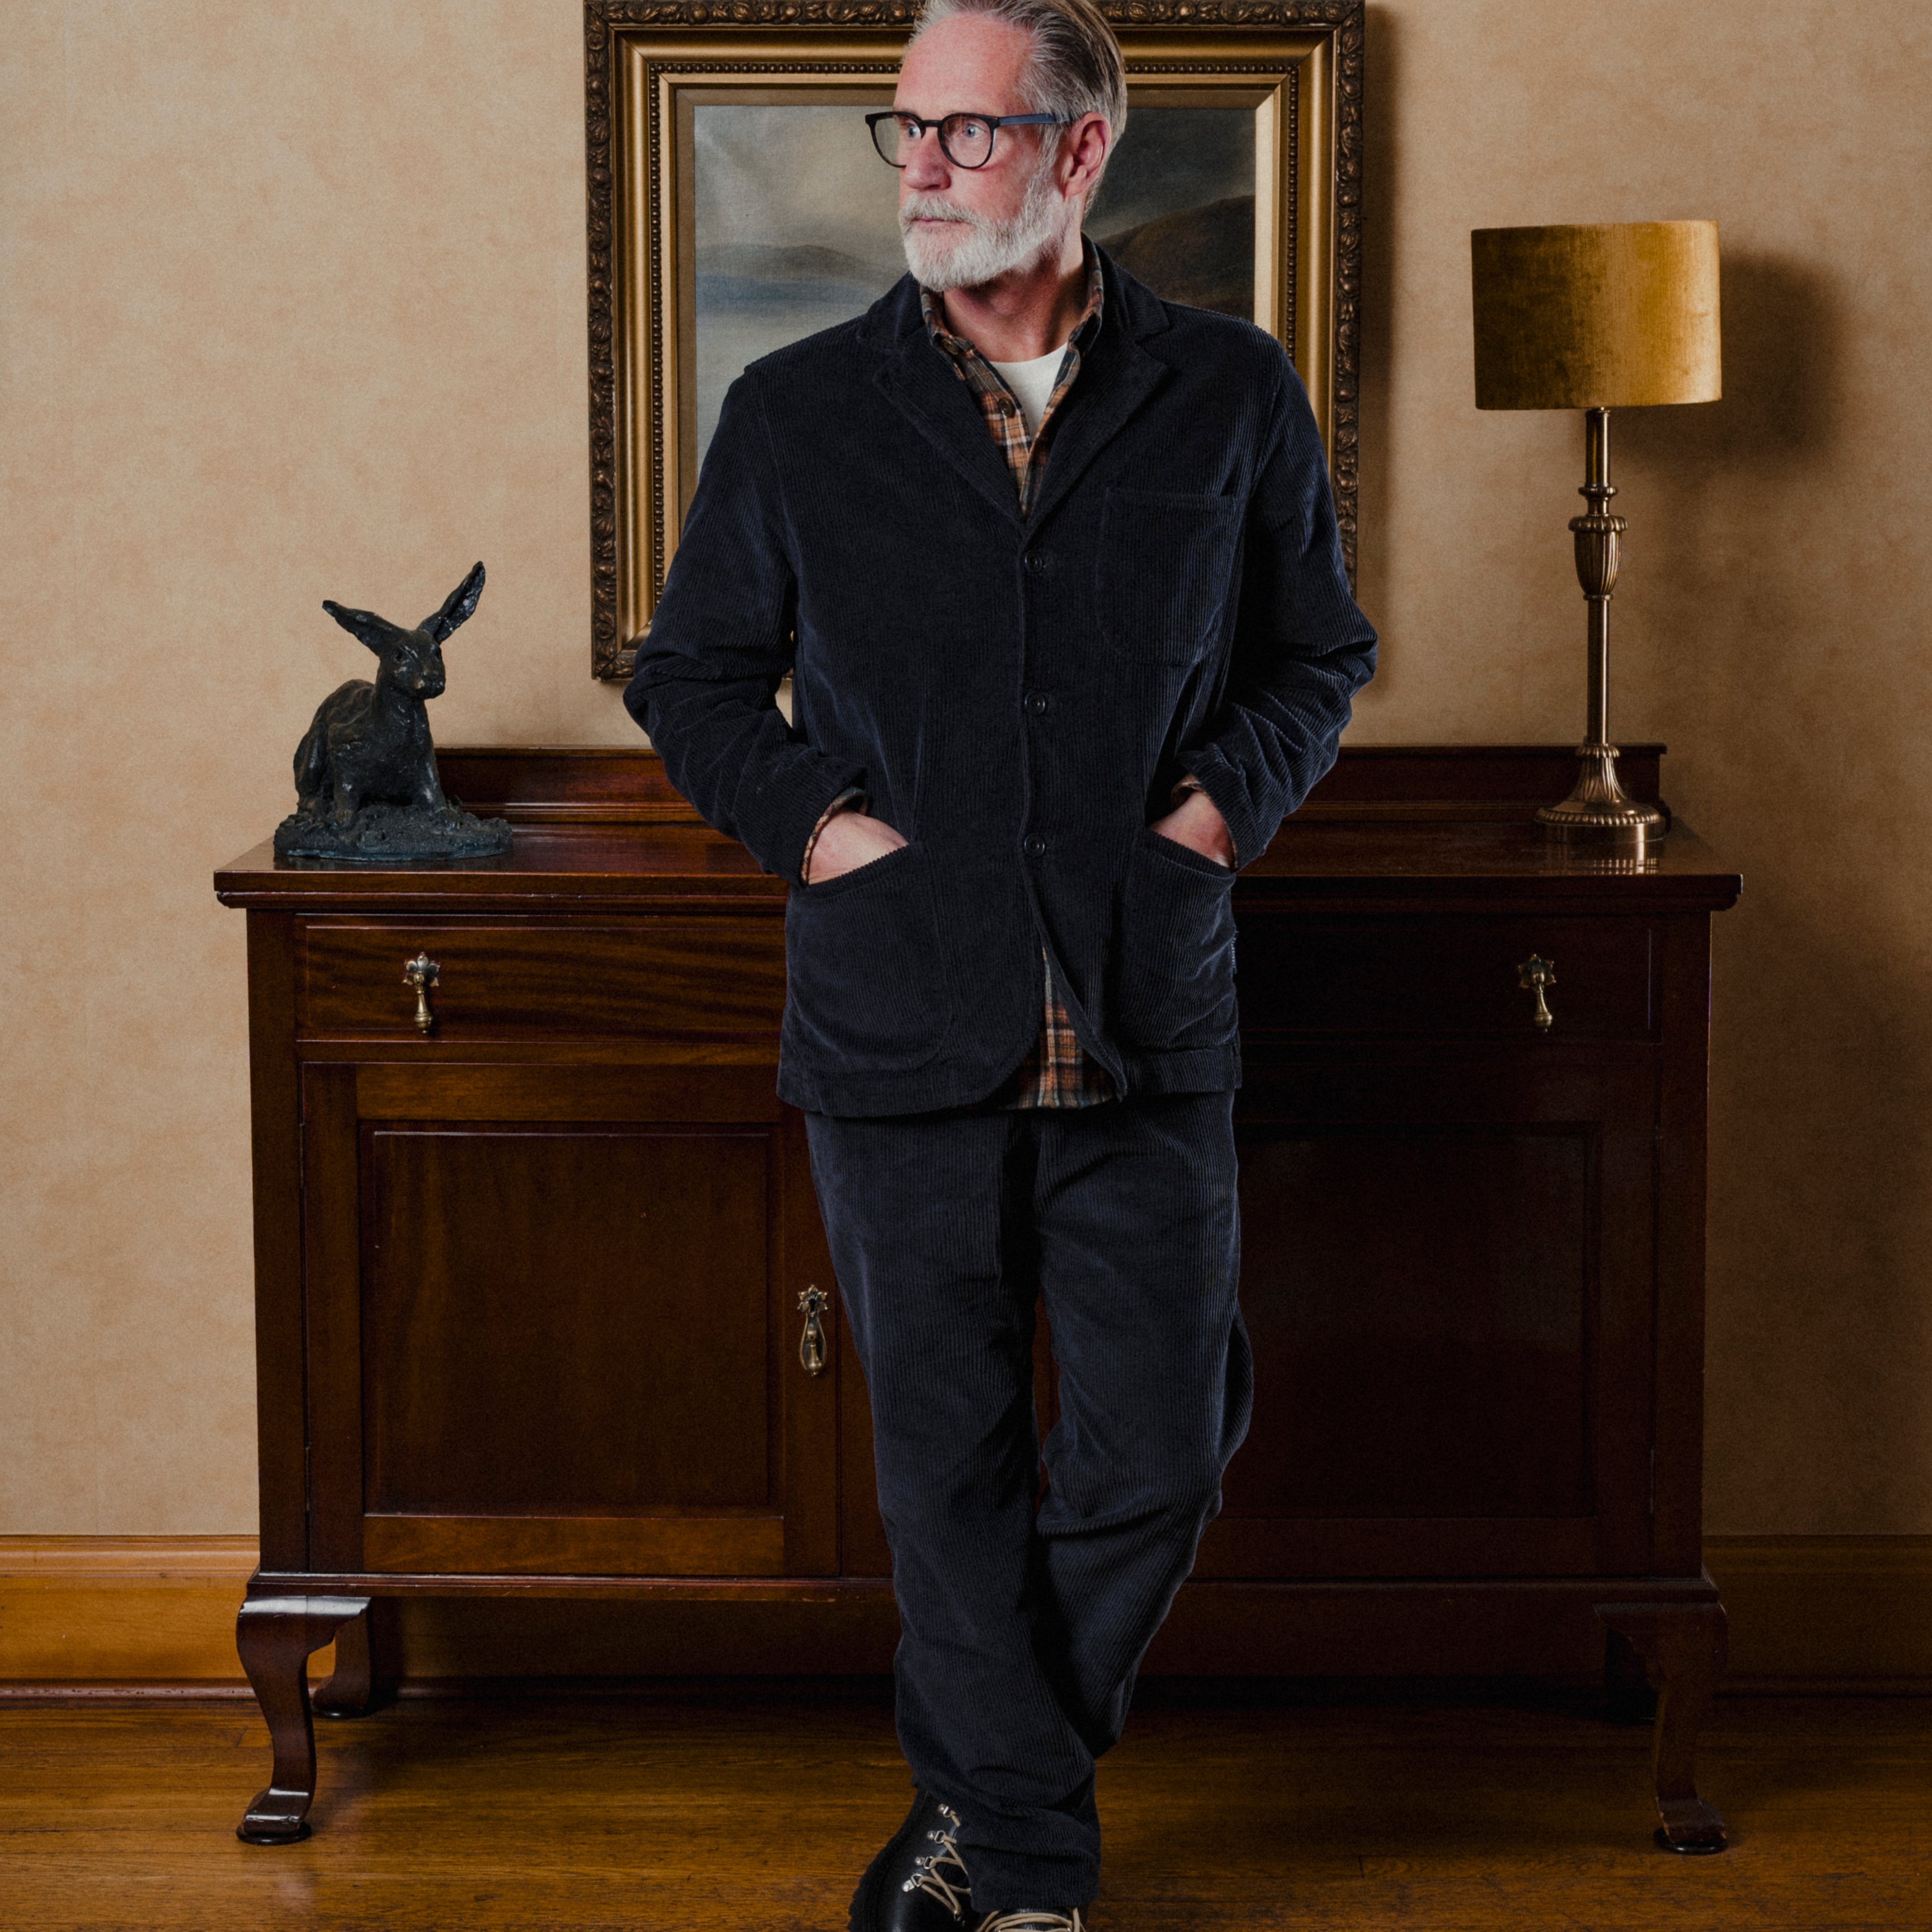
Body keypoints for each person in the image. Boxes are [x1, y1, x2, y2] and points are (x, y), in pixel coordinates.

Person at [626, 1, 1376, 1923]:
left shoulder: (1230, 391)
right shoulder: (797, 410)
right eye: (910, 131)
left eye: (970, 131)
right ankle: (1026, 1861)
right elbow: (690, 675)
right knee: (945, 1472)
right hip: (898, 1013)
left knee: (1164, 1444)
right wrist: (819, 827)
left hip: (1146, 1008)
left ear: (1081, 149)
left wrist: (1216, 814)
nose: (928, 170)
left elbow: (1320, 654)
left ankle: (986, 1813)